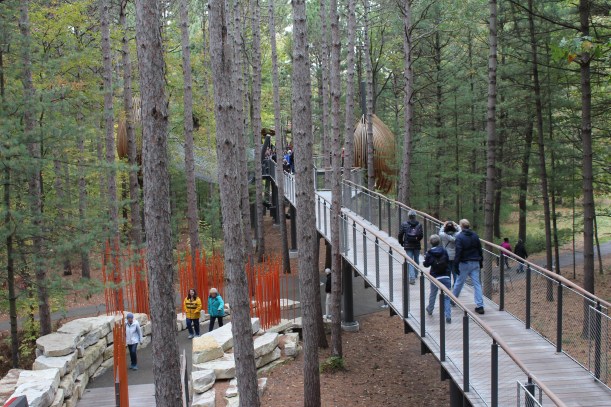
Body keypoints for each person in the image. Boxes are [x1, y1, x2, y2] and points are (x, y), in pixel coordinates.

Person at [452, 219, 485, 314]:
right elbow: (480, 249)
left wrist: (456, 264)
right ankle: (480, 305)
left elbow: (458, 251)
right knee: (477, 284)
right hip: (475, 262)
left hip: (464, 263)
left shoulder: (459, 237)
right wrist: (480, 261)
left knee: (459, 282)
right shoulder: (475, 235)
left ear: (461, 226)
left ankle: (453, 299)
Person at [423, 234, 452, 324]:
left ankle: (430, 309)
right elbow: (447, 261)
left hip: (435, 277)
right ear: (439, 242)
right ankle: (448, 315)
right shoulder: (444, 251)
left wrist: (425, 259)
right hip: (446, 276)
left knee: (433, 293)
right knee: (447, 297)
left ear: (431, 243)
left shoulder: (429, 253)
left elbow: (426, 265)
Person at [398, 210, 424, 285]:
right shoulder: (419, 224)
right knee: (416, 259)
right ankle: (415, 274)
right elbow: (421, 235)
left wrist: (401, 242)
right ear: (415, 216)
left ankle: (412, 277)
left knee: (410, 261)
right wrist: (417, 239)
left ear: (409, 216)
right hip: (416, 245)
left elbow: (400, 234)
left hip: (408, 245)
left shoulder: (404, 224)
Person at [439, 220, 461, 286]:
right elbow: (460, 230)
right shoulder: (457, 235)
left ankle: (448, 284)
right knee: (455, 271)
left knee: (448, 271)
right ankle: (456, 284)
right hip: (455, 255)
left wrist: (444, 225)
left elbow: (440, 231)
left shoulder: (443, 235)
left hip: (446, 255)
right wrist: (456, 224)